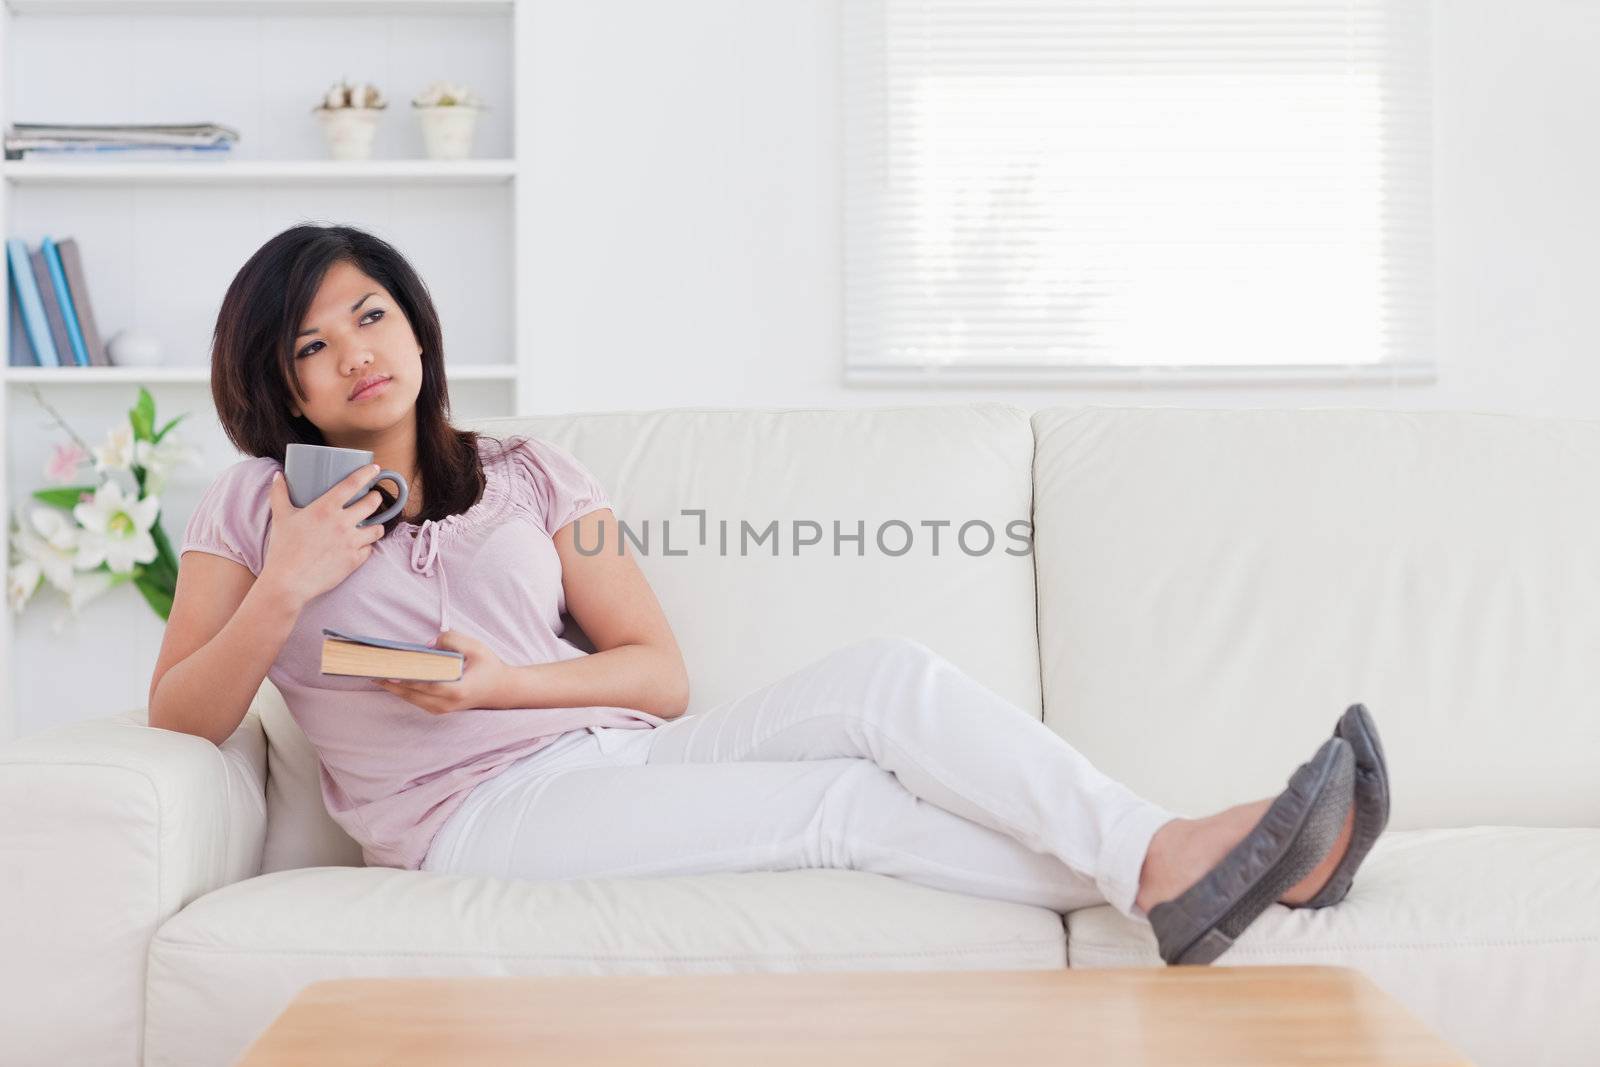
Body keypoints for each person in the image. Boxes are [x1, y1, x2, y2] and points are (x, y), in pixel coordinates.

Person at [149, 224, 1390, 968]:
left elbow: (658, 672)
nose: (356, 351)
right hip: (473, 819)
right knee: (843, 806)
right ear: (287, 388)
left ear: (417, 329)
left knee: (885, 679)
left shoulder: (538, 474)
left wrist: (507, 679)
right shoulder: (250, 507)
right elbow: (180, 712)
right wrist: (287, 587)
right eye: (313, 344)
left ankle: (1180, 860)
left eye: (371, 314)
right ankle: (1199, 860)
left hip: (617, 750)